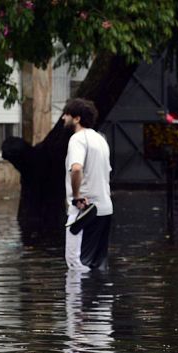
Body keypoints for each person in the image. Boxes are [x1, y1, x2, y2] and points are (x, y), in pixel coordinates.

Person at [62, 98, 113, 271]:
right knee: (98, 266)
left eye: (67, 114)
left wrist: (76, 197)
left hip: (85, 211)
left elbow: (76, 168)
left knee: (77, 265)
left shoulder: (77, 139)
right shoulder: (100, 139)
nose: (63, 118)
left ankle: (80, 291)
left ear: (77, 119)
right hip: (105, 209)